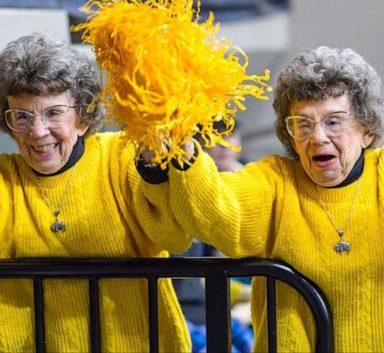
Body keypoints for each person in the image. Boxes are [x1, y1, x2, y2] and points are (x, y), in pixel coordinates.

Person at [143, 46, 384, 352]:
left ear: (366, 130)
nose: (318, 137)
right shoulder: (274, 181)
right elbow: (215, 209)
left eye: (333, 121)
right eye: (303, 124)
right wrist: (185, 152)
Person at [0, 33, 193, 352]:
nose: (36, 131)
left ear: (83, 117)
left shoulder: (122, 156)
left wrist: (156, 167)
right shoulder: (6, 177)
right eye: (22, 116)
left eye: (53, 113)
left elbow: (174, 237)